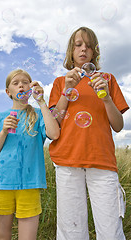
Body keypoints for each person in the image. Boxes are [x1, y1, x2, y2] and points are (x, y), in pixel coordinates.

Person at [49, 26, 129, 240]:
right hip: (67, 160)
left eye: (89, 45)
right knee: (70, 231)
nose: (84, 49)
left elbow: (119, 125)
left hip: (101, 160)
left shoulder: (107, 79)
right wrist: (67, 90)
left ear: (95, 52)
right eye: (78, 44)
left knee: (111, 230)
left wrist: (106, 99)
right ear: (71, 51)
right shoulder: (60, 83)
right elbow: (53, 125)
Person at [0, 69, 60, 240]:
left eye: (25, 82)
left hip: (30, 184)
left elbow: (54, 134)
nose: (21, 85)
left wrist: (41, 102)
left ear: (31, 88)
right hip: (1, 183)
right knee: (2, 236)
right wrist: (3, 132)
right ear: (8, 92)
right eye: (16, 83)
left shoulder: (39, 115)